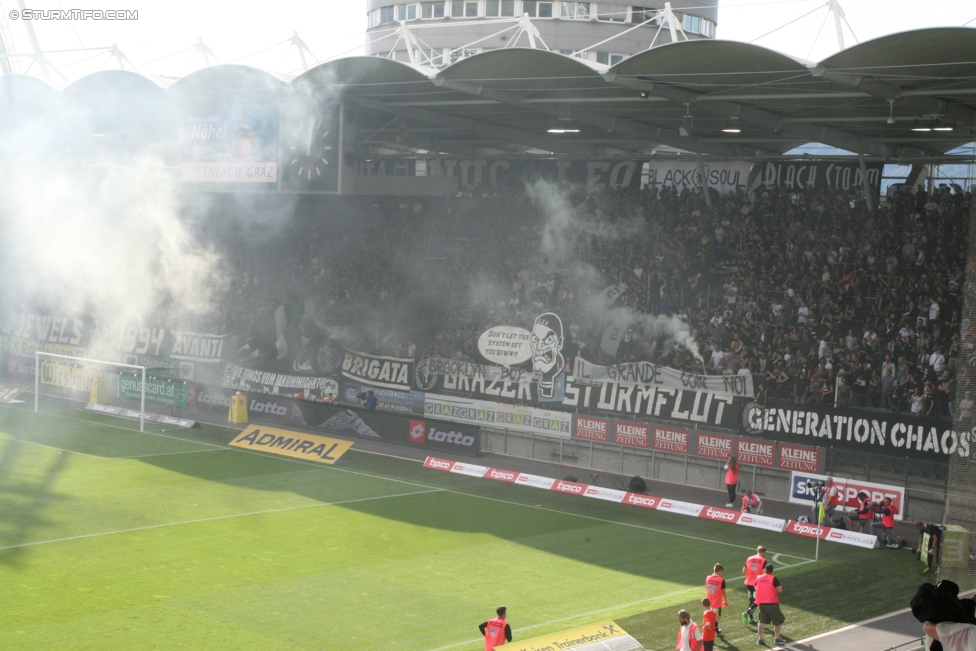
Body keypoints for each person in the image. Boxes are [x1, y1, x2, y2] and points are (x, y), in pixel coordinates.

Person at [755, 564, 787, 646]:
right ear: (772, 571)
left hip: (761, 603)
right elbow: (779, 590)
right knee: (778, 621)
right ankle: (777, 638)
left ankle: (760, 639)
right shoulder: (773, 578)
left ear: (764, 570)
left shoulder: (758, 578)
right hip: (772, 603)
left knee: (761, 621)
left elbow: (755, 587)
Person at [742, 546, 766, 625]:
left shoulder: (749, 558)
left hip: (748, 583)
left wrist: (751, 574)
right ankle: (747, 613)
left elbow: (744, 571)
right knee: (757, 601)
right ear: (763, 552)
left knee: (751, 600)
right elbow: (764, 573)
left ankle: (751, 619)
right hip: (757, 584)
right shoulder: (763, 560)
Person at [704, 564, 727, 632]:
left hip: (708, 602)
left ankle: (715, 630)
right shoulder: (721, 580)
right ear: (719, 571)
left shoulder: (708, 578)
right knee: (716, 617)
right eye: (721, 572)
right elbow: (723, 592)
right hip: (717, 603)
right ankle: (716, 631)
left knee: (710, 616)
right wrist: (725, 601)